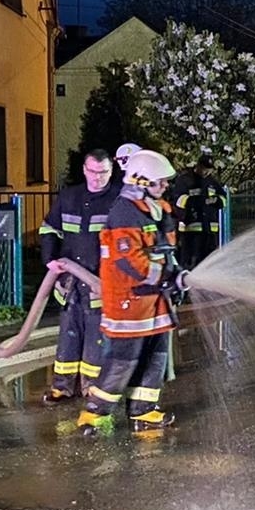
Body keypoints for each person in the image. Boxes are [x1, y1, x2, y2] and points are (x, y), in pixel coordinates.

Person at [78, 149, 187, 435]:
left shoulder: (156, 209)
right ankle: (94, 413)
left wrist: (175, 274)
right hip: (129, 300)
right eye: (157, 182)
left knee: (156, 356)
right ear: (139, 182)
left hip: (154, 301)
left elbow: (165, 249)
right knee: (123, 360)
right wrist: (167, 277)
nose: (163, 187)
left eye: (164, 182)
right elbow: (131, 262)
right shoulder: (124, 212)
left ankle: (144, 410)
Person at [37, 148, 122, 404]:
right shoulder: (69, 196)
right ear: (85, 170)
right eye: (93, 172)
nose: (97, 178)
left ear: (111, 171)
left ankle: (93, 387)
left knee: (96, 336)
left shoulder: (119, 199)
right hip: (69, 280)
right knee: (69, 333)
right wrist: (51, 261)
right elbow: (49, 228)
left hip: (101, 282)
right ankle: (62, 386)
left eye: (103, 172)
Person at [167, 153, 224, 271]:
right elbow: (178, 201)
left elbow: (224, 199)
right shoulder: (185, 180)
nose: (206, 172)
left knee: (209, 262)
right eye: (204, 168)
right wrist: (197, 201)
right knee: (191, 262)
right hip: (190, 229)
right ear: (198, 165)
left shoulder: (212, 182)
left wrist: (216, 200)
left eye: (209, 169)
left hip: (210, 230)